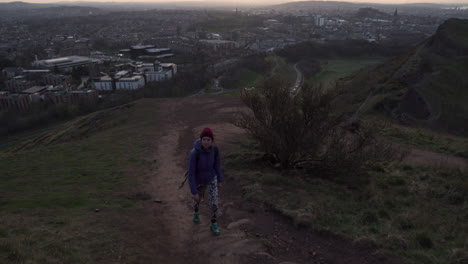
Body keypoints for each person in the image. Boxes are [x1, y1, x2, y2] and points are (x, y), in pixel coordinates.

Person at [188, 127, 223, 236]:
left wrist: (220, 180)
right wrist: (194, 192)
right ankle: (196, 211)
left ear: (212, 141)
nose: (206, 142)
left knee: (214, 203)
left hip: (212, 178)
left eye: (208, 139)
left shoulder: (215, 151)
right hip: (199, 180)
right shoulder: (195, 153)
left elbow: (217, 166)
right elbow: (191, 174)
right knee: (197, 200)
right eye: (204, 139)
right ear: (201, 139)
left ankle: (213, 223)